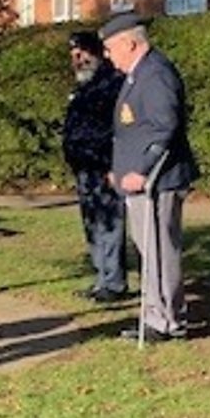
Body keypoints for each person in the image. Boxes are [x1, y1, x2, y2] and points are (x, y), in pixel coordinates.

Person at [98, 13, 199, 343]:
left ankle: (167, 321)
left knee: (158, 249)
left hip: (159, 180)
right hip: (139, 180)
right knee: (149, 248)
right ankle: (156, 314)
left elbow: (163, 127)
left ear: (130, 43)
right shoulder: (137, 74)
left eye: (111, 48)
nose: (108, 56)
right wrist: (121, 165)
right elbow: (133, 129)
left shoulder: (155, 74)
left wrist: (141, 170)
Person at [63, 31, 127, 303]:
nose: (78, 61)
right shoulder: (83, 88)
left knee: (109, 221)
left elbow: (119, 126)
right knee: (91, 223)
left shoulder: (112, 84)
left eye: (82, 55)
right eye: (74, 56)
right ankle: (102, 276)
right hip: (84, 167)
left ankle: (113, 282)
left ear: (97, 53)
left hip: (104, 165)